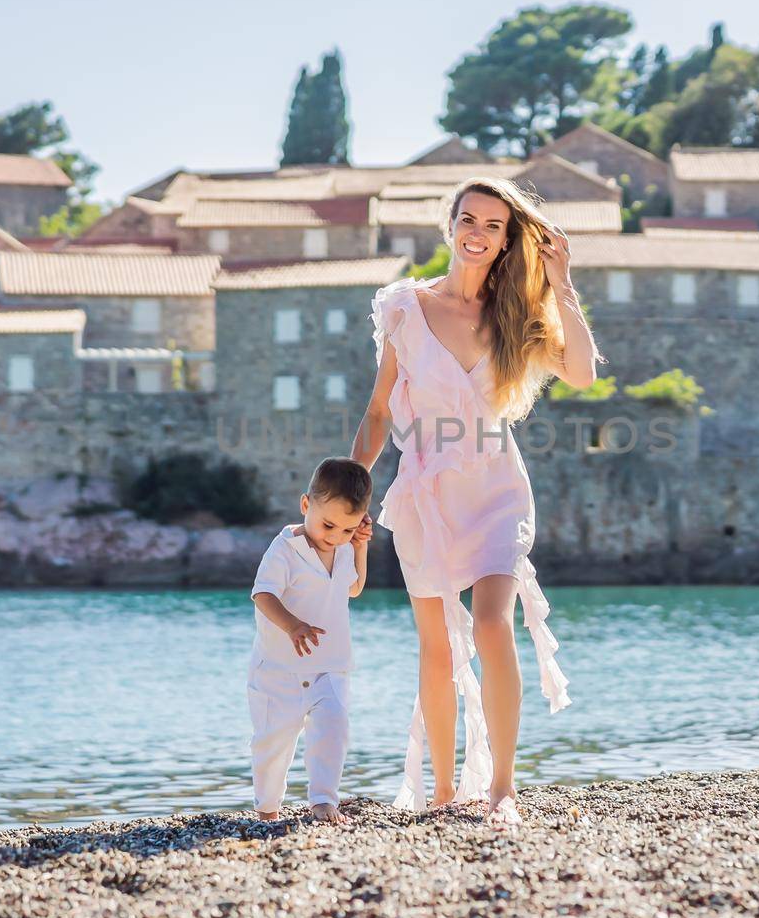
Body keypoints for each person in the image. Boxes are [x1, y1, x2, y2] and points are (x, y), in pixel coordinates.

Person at [352, 176, 602, 823]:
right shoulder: (404, 307)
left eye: (494, 225)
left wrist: (562, 281)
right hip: (426, 492)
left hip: (495, 485)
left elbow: (582, 372)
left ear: (506, 237)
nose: (478, 232)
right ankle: (441, 790)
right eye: (469, 219)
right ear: (451, 224)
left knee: (492, 622)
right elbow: (379, 410)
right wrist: (354, 488)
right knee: (436, 645)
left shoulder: (516, 313)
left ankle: (502, 789)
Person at [246, 457, 373, 823]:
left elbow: (355, 587)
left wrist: (360, 547)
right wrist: (293, 626)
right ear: (306, 506)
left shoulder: (346, 547)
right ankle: (268, 808)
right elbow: (263, 594)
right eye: (328, 524)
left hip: (330, 667)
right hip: (278, 670)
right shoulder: (284, 548)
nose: (334, 536)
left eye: (348, 530)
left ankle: (323, 800)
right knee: (272, 743)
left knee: (333, 730)